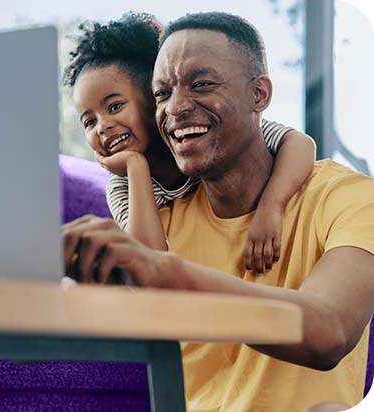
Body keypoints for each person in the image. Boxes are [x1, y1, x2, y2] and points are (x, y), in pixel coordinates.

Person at [62, 11, 374, 412]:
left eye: (201, 84)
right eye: (161, 94)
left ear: (259, 95)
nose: (175, 108)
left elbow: (330, 330)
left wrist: (162, 271)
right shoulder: (157, 214)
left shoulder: (344, 197)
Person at [63, 12, 316, 274]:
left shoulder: (208, 142)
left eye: (114, 106)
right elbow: (146, 258)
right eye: (89, 122)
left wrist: (271, 207)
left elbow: (298, 143)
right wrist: (135, 166)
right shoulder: (122, 186)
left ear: (154, 101)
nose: (102, 127)